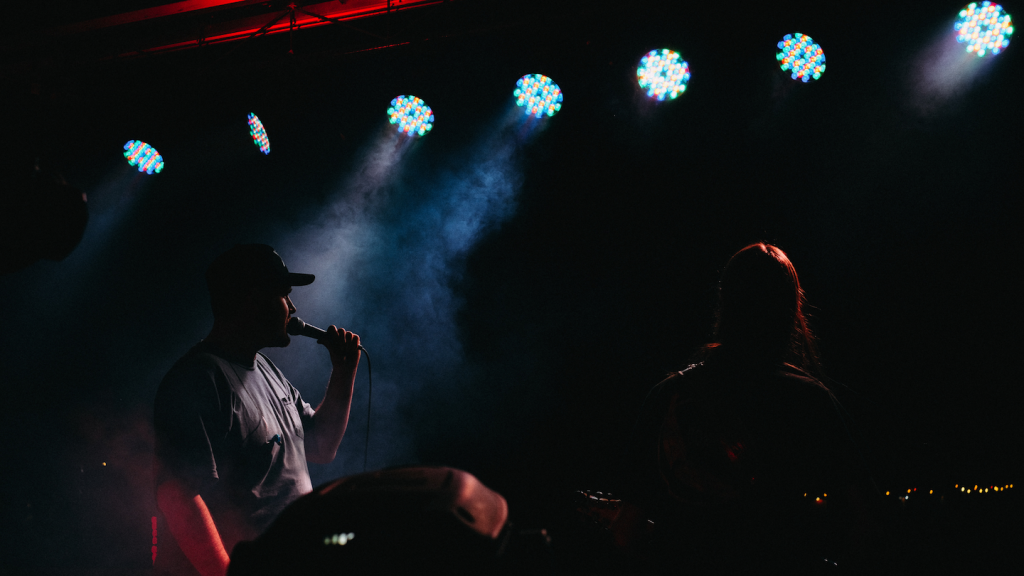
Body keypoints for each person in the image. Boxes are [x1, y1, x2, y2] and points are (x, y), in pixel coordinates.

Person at [622, 243, 870, 573]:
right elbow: (865, 523)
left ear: (726, 304)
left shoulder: (668, 396)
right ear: (790, 309)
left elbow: (626, 532)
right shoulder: (811, 400)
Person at [153, 244, 362, 576]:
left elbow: (321, 447)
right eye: (284, 296)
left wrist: (344, 372)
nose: (293, 308)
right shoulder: (198, 379)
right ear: (252, 300)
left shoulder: (267, 370)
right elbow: (178, 495)